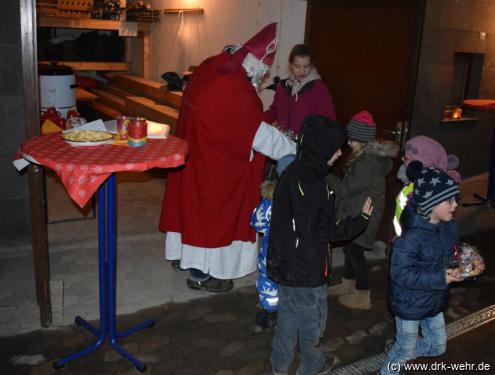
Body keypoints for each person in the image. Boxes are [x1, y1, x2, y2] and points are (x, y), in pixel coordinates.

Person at [159, 23, 296, 293]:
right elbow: (256, 134)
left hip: (193, 156)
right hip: (217, 167)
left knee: (191, 209)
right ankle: (203, 274)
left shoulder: (211, 67)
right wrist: (293, 149)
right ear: (255, 66)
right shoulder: (235, 89)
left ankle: (182, 257)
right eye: (263, 73)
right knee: (213, 219)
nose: (262, 79)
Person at [267, 115, 373, 375]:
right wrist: (360, 220)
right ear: (320, 147)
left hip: (287, 265)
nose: (339, 153)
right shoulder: (310, 183)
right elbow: (320, 229)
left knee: (288, 320)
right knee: (312, 324)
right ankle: (312, 366)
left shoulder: (296, 171)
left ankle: (280, 365)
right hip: (306, 269)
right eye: (335, 147)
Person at [379, 165, 484, 375]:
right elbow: (400, 274)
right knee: (402, 352)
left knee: (437, 347)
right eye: (449, 201)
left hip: (435, 301)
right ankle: (396, 359)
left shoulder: (450, 227)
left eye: (455, 199)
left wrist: (467, 262)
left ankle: (402, 351)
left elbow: (452, 254)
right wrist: (442, 276)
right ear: (430, 204)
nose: (455, 205)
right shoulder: (409, 239)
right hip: (409, 305)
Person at [326, 111, 399, 310]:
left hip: (364, 216)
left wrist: (325, 175)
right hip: (358, 212)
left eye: (350, 137)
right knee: (350, 249)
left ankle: (362, 295)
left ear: (360, 139)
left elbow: (345, 190)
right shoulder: (364, 156)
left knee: (355, 253)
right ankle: (348, 285)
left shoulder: (365, 164)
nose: (347, 141)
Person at [264, 44, 337, 174]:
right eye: (297, 66)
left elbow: (328, 120)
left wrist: (308, 136)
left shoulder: (319, 88)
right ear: (290, 65)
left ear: (312, 65)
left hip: (304, 149)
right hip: (281, 145)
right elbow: (274, 110)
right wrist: (257, 118)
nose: (302, 72)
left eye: (306, 67)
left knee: (288, 182)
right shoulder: (282, 87)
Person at [394, 135, 461, 237]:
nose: (403, 161)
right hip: (405, 236)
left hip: (413, 242)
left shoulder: (421, 192)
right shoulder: (412, 184)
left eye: (406, 159)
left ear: (420, 164)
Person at [251, 180, 278, 329]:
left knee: (268, 280)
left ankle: (268, 313)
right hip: (292, 252)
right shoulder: (295, 201)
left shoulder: (268, 205)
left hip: (271, 252)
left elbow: (257, 223)